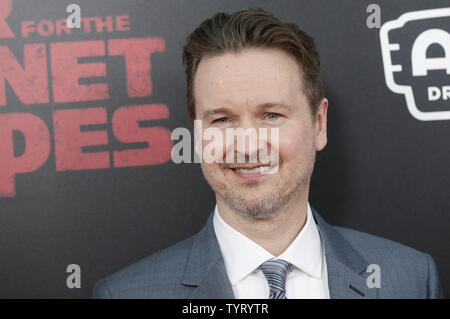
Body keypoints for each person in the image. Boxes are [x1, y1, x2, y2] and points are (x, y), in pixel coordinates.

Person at [92, 8, 444, 299]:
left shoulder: (411, 279)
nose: (247, 144)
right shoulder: (126, 294)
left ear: (318, 124)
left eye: (271, 115)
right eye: (223, 119)